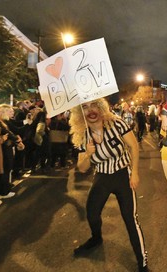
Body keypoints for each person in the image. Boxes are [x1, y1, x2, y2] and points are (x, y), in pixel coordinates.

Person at [69, 98, 148, 272]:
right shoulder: (83, 135)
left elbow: (134, 146)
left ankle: (142, 263)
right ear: (79, 113)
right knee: (92, 213)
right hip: (102, 176)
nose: (90, 110)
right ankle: (96, 238)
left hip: (122, 174)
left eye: (94, 105)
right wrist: (88, 154)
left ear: (101, 107)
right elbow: (82, 168)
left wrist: (134, 173)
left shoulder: (116, 123)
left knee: (130, 219)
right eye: (85, 106)